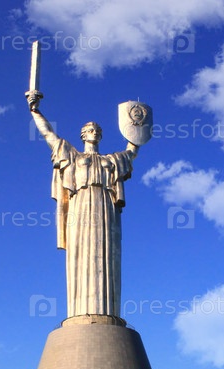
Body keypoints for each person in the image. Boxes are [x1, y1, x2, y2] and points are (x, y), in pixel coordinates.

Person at [27, 92, 139, 318]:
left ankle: (107, 313)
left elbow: (132, 151)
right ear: (83, 135)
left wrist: (137, 127)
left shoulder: (111, 160)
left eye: (97, 130)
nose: (94, 132)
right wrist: (35, 111)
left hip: (106, 206)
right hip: (80, 204)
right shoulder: (72, 156)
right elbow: (48, 135)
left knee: (108, 255)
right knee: (81, 254)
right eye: (90, 130)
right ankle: (80, 312)